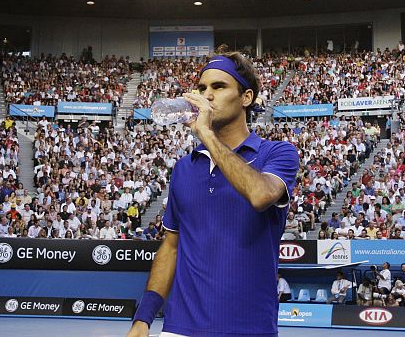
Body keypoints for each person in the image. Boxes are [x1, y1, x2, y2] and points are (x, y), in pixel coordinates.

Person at [127, 52, 299, 337]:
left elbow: (260, 195)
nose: (207, 96)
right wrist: (142, 319)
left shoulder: (278, 153)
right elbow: (171, 247)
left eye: (219, 87)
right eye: (202, 88)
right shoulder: (184, 168)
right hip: (179, 328)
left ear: (246, 97)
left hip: (249, 330)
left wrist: (206, 134)